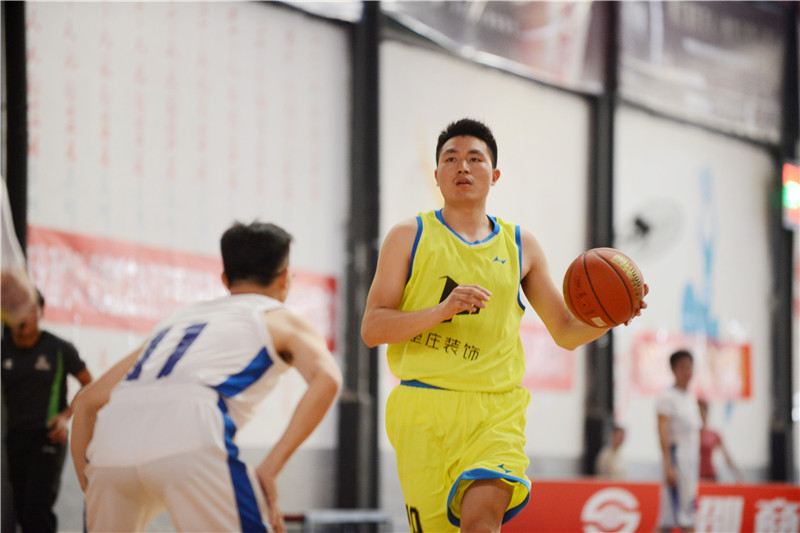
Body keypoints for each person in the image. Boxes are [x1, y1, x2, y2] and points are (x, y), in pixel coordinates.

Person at [361, 118, 648, 533]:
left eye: (475, 158)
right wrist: (441, 311)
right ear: (437, 174)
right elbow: (373, 328)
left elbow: (566, 331)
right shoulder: (409, 235)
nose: (462, 166)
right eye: (450, 159)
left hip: (496, 411)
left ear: (494, 175)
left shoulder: (520, 245)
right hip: (423, 407)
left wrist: (609, 316)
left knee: (482, 523)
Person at [70, 221, 342, 533]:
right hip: (189, 431)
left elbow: (86, 402)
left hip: (112, 441)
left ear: (225, 279)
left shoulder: (174, 323)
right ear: (285, 279)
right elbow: (328, 379)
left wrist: (93, 484)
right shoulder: (280, 318)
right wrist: (270, 468)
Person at [1, 289, 93, 533]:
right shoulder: (3, 348)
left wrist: (65, 418)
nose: (23, 316)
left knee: (37, 510)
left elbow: (89, 385)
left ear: (40, 313)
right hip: (15, 439)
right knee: (20, 511)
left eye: (29, 309)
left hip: (48, 438)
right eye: (16, 309)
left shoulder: (59, 349)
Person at [656, 350, 702, 533]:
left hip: (691, 460)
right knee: (684, 518)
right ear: (674, 370)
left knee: (670, 521)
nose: (687, 372)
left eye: (689, 367)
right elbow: (662, 431)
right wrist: (668, 465)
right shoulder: (668, 398)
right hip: (678, 459)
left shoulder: (690, 398)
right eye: (682, 368)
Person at [698, 399, 743, 483]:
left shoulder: (714, 434)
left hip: (710, 476)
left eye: (702, 411)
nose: (700, 414)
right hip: (695, 475)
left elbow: (726, 456)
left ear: (707, 412)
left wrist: (738, 475)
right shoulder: (691, 435)